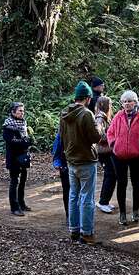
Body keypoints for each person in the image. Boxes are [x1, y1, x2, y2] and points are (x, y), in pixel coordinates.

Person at [59, 81, 102, 245]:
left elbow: (62, 137)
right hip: (86, 160)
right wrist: (99, 126)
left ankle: (74, 230)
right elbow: (95, 137)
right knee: (87, 198)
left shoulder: (64, 113)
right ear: (88, 98)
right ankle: (87, 233)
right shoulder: (86, 114)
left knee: (73, 195)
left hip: (71, 160)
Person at [107, 90, 139, 225]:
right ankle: (122, 214)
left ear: (135, 102)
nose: (127, 104)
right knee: (121, 183)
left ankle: (135, 211)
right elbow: (110, 132)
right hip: (119, 155)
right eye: (125, 102)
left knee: (136, 183)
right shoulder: (118, 116)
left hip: (136, 156)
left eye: (130, 101)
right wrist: (114, 144)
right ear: (122, 104)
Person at [2, 102, 32, 216]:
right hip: (14, 157)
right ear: (13, 112)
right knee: (15, 181)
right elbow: (10, 140)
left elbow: (25, 138)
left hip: (23, 156)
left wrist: (28, 142)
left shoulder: (23, 122)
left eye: (23, 111)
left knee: (23, 181)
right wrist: (23, 142)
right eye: (20, 110)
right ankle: (14, 207)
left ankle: (21, 203)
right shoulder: (8, 125)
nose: (22, 112)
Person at [95, 96, 116, 214]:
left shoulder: (104, 117)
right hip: (104, 151)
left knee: (111, 175)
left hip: (107, 151)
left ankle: (105, 201)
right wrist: (112, 136)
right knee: (110, 175)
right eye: (110, 104)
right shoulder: (100, 117)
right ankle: (103, 202)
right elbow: (99, 135)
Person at [52, 130, 69, 221]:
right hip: (65, 165)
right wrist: (58, 164)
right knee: (68, 191)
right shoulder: (62, 132)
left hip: (80, 165)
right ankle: (69, 216)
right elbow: (56, 150)